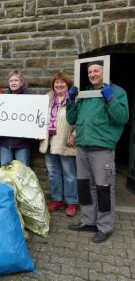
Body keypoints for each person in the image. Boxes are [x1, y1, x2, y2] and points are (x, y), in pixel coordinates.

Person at [66, 60, 129, 243]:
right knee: (85, 187)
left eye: (96, 71)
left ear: (105, 71)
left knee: (103, 188)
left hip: (102, 149)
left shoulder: (117, 92)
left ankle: (105, 226)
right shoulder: (85, 93)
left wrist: (110, 98)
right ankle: (88, 221)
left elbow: (122, 118)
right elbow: (72, 119)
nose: (93, 74)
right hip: (83, 147)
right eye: (90, 72)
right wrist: (71, 101)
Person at [39, 72, 78, 217]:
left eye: (63, 83)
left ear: (68, 85)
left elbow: (81, 120)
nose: (59, 85)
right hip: (49, 142)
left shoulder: (74, 99)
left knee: (69, 174)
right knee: (53, 174)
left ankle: (72, 202)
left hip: (65, 141)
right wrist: (36, 130)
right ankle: (57, 200)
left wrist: (75, 135)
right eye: (57, 82)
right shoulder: (47, 99)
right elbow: (39, 117)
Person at [0, 70, 31, 166]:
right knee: (5, 169)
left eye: (16, 80)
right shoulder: (2, 99)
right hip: (5, 141)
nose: (13, 83)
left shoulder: (30, 99)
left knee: (22, 169)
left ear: (21, 83)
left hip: (22, 142)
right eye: (11, 81)